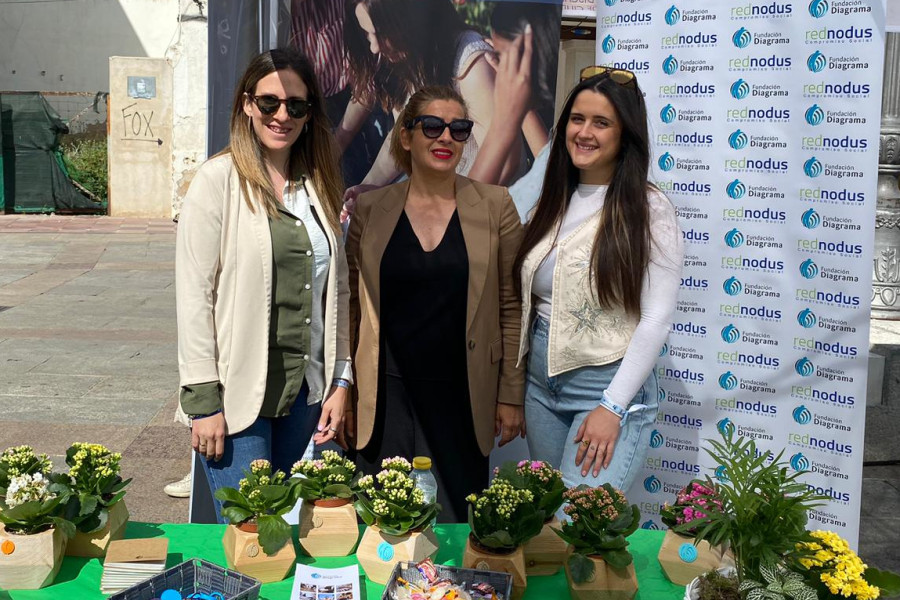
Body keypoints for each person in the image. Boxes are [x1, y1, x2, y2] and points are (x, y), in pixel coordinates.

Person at [175, 48, 352, 522]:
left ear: (310, 112)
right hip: (237, 399)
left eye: (296, 105)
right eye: (269, 102)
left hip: (303, 396)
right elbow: (195, 296)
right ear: (247, 105)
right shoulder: (217, 181)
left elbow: (337, 291)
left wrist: (340, 379)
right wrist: (203, 401)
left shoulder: (319, 185)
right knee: (252, 531)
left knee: (278, 529)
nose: (282, 115)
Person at [345, 86, 525, 522]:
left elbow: (511, 304)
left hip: (461, 395)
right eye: (432, 126)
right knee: (381, 521)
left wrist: (510, 395)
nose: (446, 138)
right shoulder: (370, 208)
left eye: (459, 129)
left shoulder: (496, 205)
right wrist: (345, 390)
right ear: (406, 136)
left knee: (452, 526)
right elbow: (348, 307)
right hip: (385, 394)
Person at [513, 69, 683, 495]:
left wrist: (613, 406)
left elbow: (657, 318)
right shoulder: (551, 199)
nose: (584, 132)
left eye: (601, 123)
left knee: (580, 527)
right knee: (547, 527)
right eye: (577, 119)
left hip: (605, 388)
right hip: (540, 388)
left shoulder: (649, 208)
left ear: (625, 134)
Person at [339, 0, 527, 212]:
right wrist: (370, 186)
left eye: (382, 33)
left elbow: (506, 162)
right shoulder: (405, 59)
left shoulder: (471, 63)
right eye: (367, 35)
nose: (375, 48)